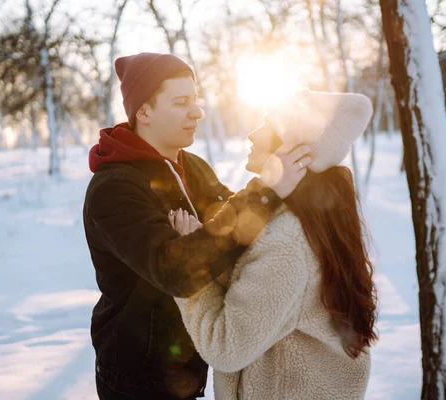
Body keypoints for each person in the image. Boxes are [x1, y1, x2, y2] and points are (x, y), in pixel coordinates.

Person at [82, 52, 312, 400]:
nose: (197, 112)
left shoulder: (193, 166)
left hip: (190, 367)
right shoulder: (115, 188)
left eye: (195, 99)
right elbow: (175, 271)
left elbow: (237, 233)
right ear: (143, 111)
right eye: (181, 102)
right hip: (139, 378)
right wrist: (263, 192)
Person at [173, 89, 379, 399]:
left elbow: (226, 346)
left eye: (267, 127)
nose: (253, 134)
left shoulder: (288, 242)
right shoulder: (298, 222)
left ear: (295, 151)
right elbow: (260, 294)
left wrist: (189, 268)